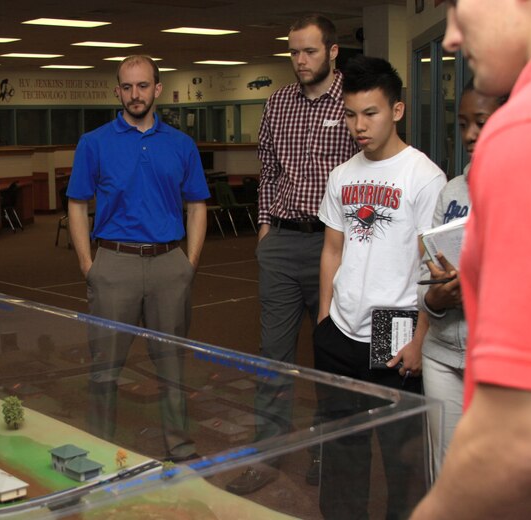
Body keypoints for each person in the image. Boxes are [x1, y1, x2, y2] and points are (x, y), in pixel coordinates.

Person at [411, 1, 531, 518]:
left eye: (463, 7)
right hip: (445, 346)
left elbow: (513, 434)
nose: (450, 37)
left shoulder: (517, 137)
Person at [229, 14, 359, 494]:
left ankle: (328, 455)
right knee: (274, 358)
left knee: (332, 353)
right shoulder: (279, 101)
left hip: (335, 244)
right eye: (294, 52)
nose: (300, 60)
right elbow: (268, 169)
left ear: (332, 51)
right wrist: (265, 228)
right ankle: (268, 458)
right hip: (282, 242)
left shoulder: (354, 101)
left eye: (309, 51)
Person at [314, 55, 445, 518]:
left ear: (397, 111)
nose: (358, 125)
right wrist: (324, 319)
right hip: (341, 328)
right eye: (350, 114)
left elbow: (435, 269)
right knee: (342, 449)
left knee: (401, 456)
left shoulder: (424, 177)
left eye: (370, 113)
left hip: (396, 325)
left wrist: (420, 338)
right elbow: (332, 248)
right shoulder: (343, 174)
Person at [66, 55, 209, 462]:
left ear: (157, 89)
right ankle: (98, 447)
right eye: (127, 88)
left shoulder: (181, 144)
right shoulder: (94, 142)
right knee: (104, 366)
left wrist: (189, 263)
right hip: (114, 264)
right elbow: (77, 203)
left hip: (169, 265)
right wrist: (87, 265)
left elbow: (197, 205)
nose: (135, 95)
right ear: (117, 91)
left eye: (143, 86)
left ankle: (179, 447)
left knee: (173, 366)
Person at [418, 82, 505, 477]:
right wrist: (437, 299)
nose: (469, 134)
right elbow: (425, 278)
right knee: (447, 473)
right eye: (464, 123)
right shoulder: (452, 190)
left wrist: (473, 289)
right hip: (442, 356)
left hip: (500, 362)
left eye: (481, 123)